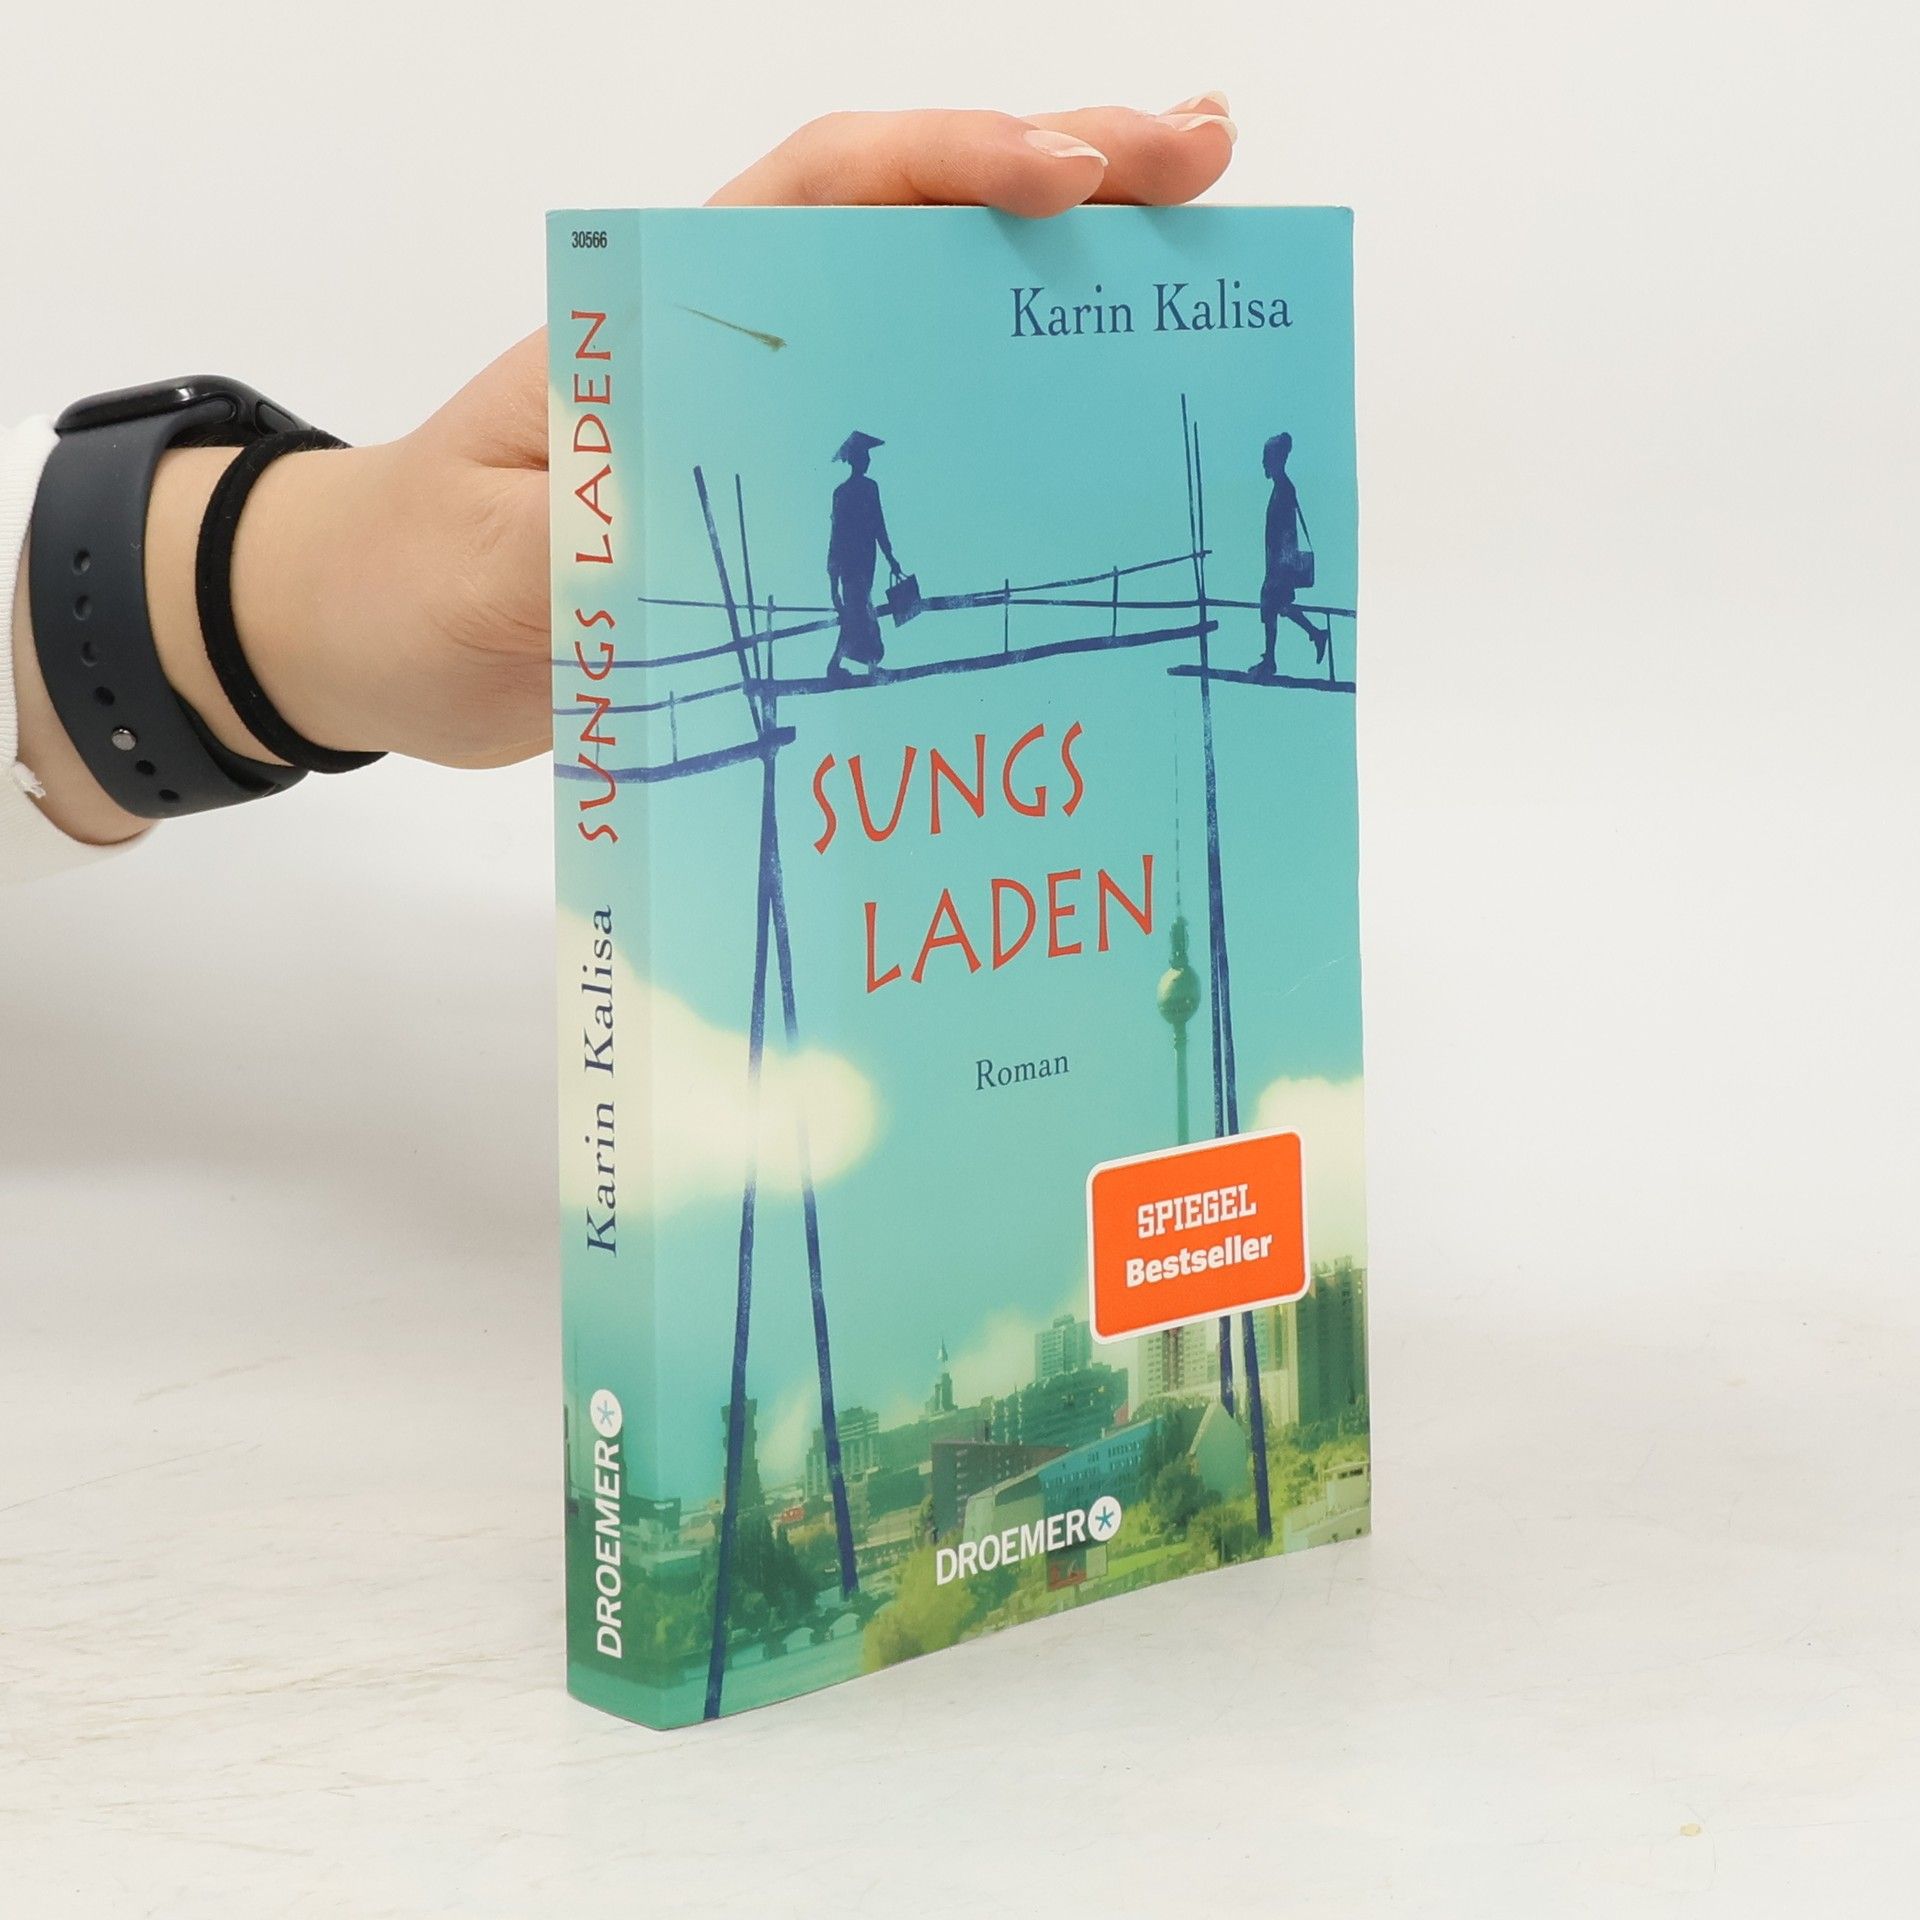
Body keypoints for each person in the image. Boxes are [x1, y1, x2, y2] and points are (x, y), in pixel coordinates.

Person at [1, 98, 1236, 885]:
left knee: (855, 631)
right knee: (850, 631)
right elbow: (857, 539)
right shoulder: (848, 493)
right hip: (833, 586)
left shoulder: (856, 489)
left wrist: (285, 594)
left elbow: (870, 532)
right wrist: (300, 590)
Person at [1252, 429, 1330, 678]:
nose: (1264, 463)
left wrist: (1280, 567)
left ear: (1277, 459)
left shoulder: (1284, 489)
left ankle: (1271, 660)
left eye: (1267, 457)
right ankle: (1314, 634)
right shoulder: (1281, 487)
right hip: (1278, 562)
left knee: (1271, 604)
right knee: (1280, 606)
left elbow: (1287, 532)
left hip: (1281, 563)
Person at [826, 431, 901, 682]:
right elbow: (875, 526)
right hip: (855, 565)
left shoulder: (844, 492)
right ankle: (844, 664)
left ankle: (857, 663)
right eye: (865, 457)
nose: (868, 461)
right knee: (858, 615)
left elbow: (873, 527)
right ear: (857, 460)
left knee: (858, 614)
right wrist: (833, 581)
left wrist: (890, 558)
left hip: (857, 566)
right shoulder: (864, 489)